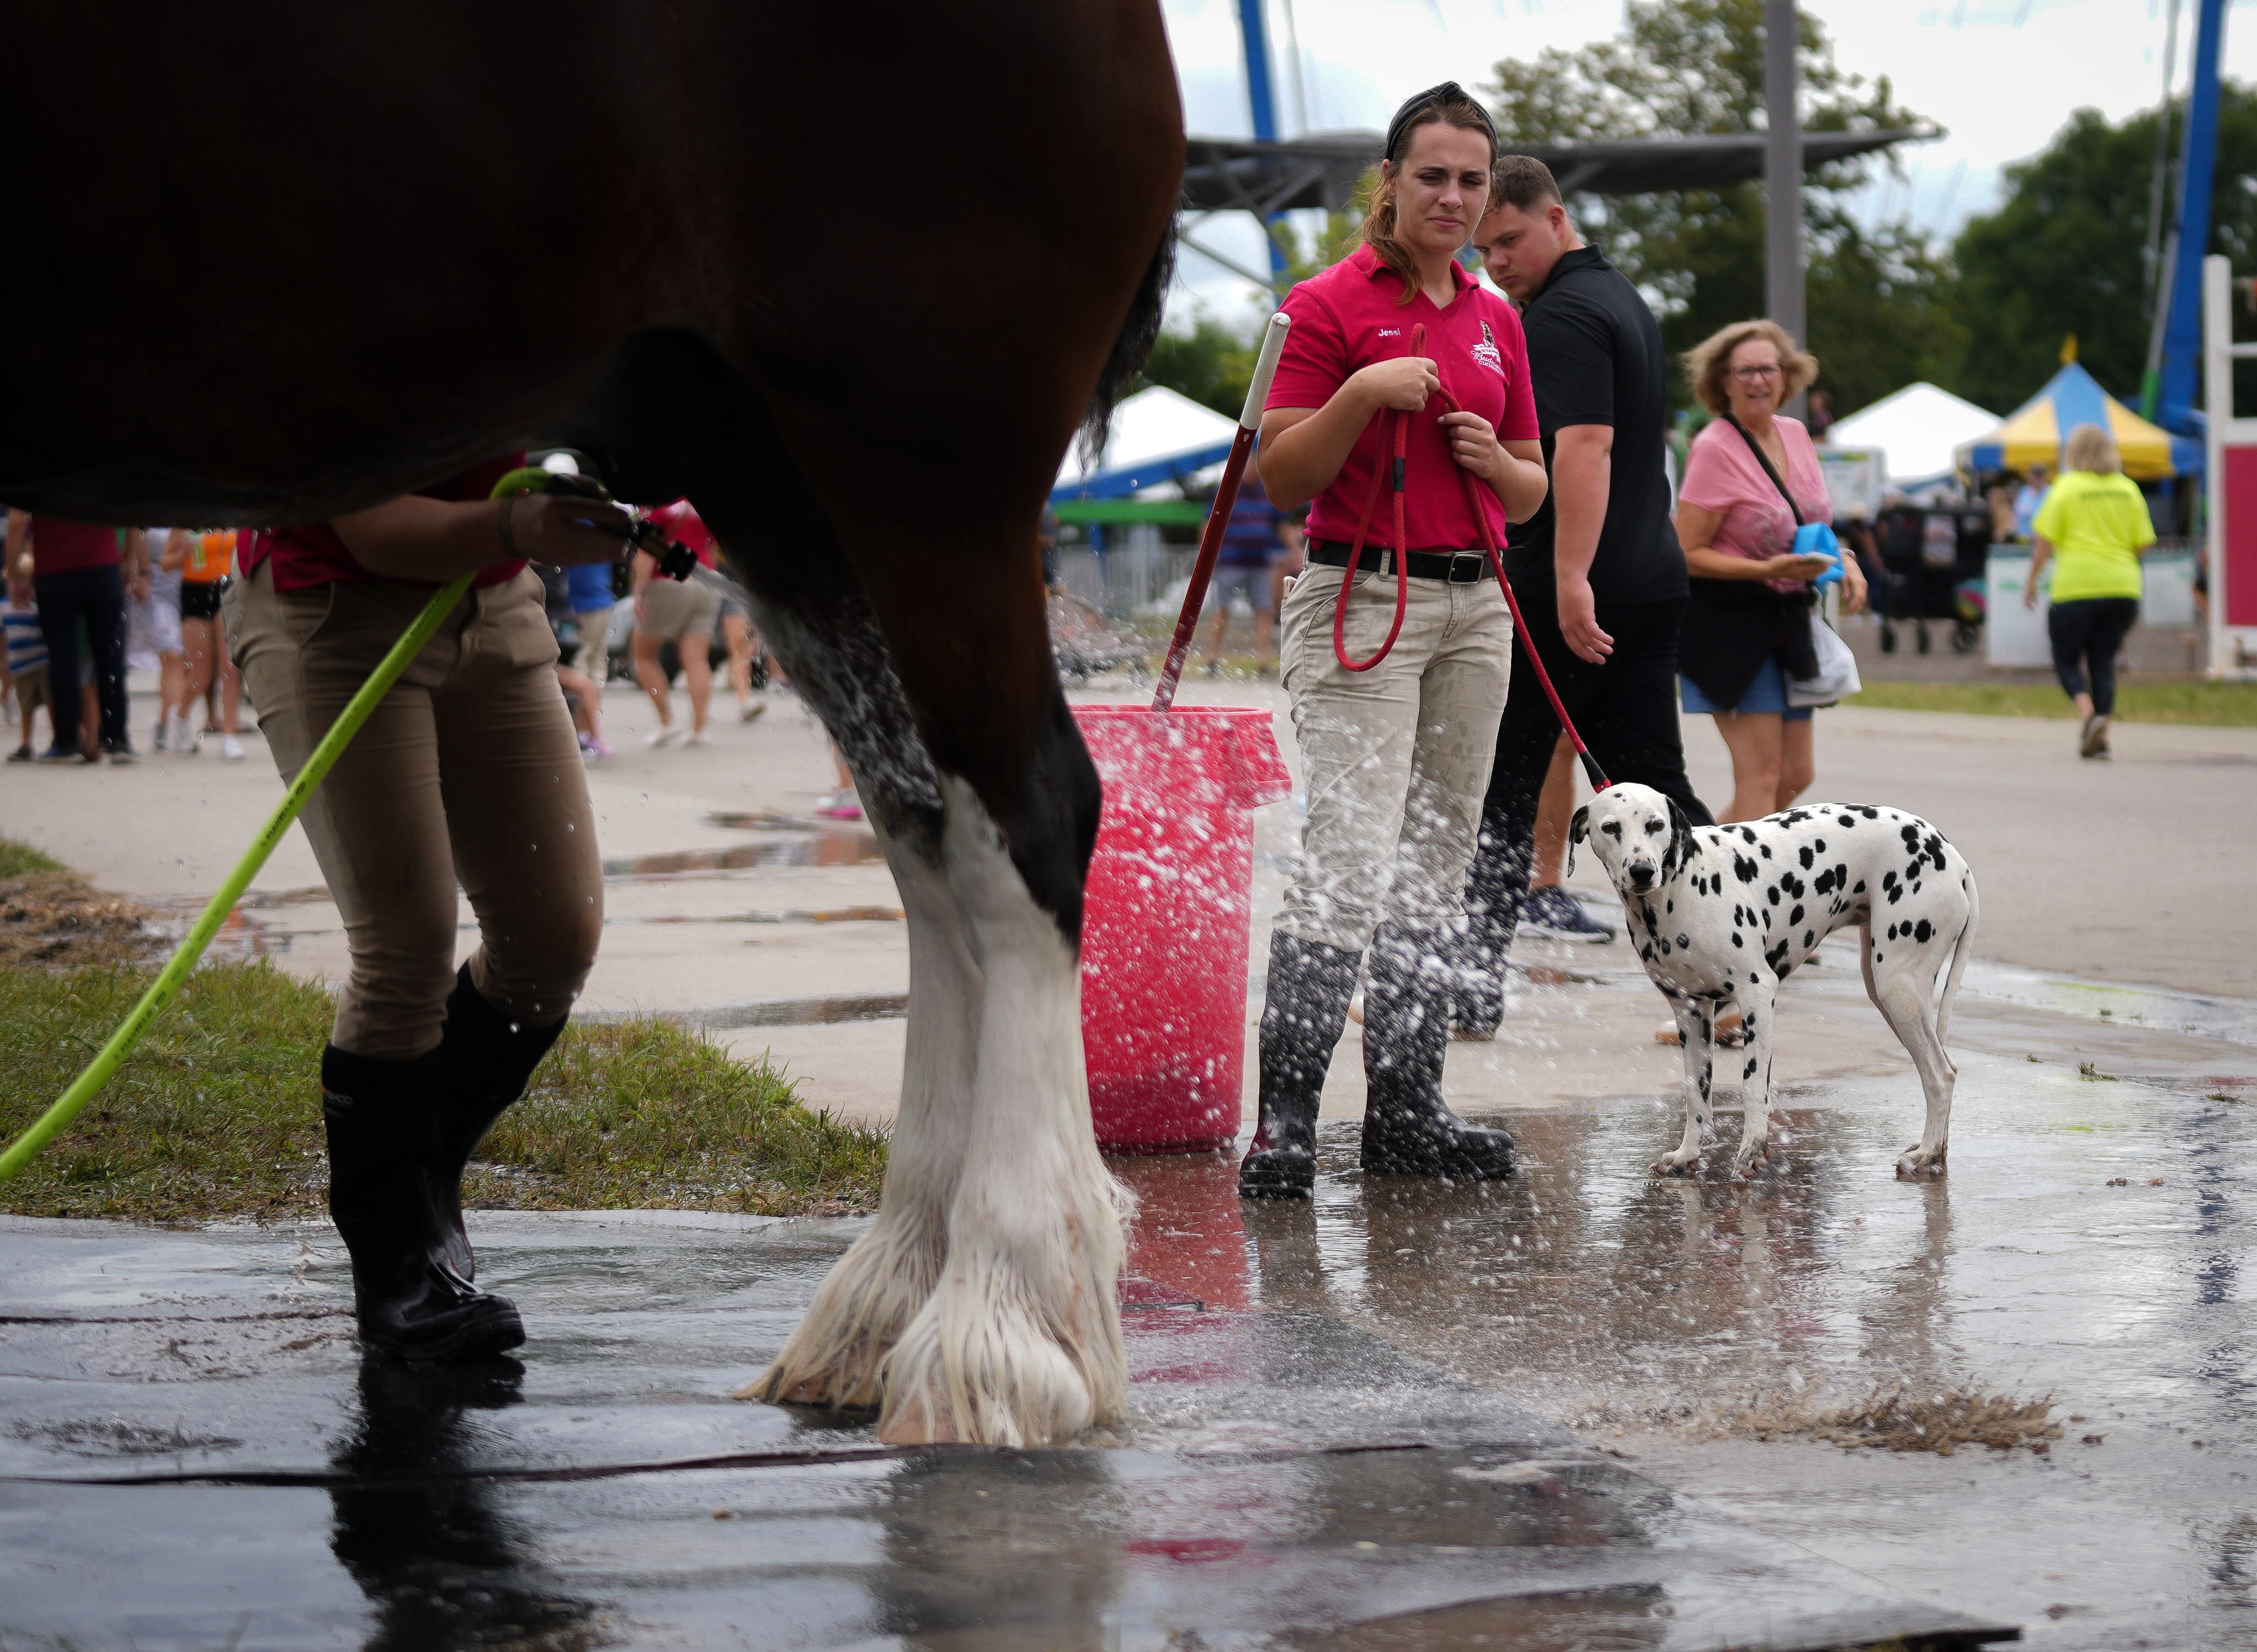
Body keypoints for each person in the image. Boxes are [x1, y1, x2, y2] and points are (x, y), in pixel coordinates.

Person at [227, 460, 628, 1360]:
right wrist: (524, 527)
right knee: (405, 950)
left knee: (554, 938)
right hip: (333, 604)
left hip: (495, 603)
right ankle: (399, 1282)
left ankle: (421, 1172)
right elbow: (371, 526)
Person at [1241, 82, 1550, 1200]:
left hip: (1475, 610)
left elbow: (1528, 492)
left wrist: (1493, 461)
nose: (1453, 197)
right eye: (1432, 176)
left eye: (1472, 179)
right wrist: (1364, 393)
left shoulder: (1495, 316)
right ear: (1389, 181)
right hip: (1360, 600)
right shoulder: (1323, 305)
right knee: (1348, 866)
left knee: (1434, 867)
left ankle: (1406, 1113)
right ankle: (1281, 1124)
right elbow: (1281, 478)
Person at [1451, 156, 1712, 1026]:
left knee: (1505, 782)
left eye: (1511, 240)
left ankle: (1470, 984)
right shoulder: (1621, 297)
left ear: (1555, 218)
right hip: (1647, 578)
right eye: (1485, 251)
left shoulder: (1560, 315)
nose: (1498, 263)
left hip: (1581, 586)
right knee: (1655, 786)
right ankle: (1733, 958)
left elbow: (1586, 447)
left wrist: (1566, 577)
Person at [1673, 319, 1868, 825]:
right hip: (1729, 625)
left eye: (1768, 369)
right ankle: (1745, 899)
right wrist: (1767, 567)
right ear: (1723, 381)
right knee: (1760, 775)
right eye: (1744, 372)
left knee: (1795, 774)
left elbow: (1811, 525)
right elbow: (1686, 551)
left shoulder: (1797, 434)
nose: (1758, 381)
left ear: (1788, 376)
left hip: (1789, 621)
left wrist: (1844, 561)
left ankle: (1699, 868)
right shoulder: (1715, 446)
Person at [2026, 423, 2154, 759]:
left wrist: (2031, 583)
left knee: (2066, 658)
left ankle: (2089, 716)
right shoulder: (2128, 489)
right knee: (2103, 660)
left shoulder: (2066, 488)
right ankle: (2102, 737)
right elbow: (2143, 544)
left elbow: (2043, 542)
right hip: (2123, 588)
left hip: (2076, 587)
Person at [4, 511, 146, 763]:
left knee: (62, 657)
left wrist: (14, 574)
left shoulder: (33, 471)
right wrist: (127, 560)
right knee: (110, 655)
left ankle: (68, 742)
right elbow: (128, 512)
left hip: (54, 570)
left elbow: (16, 522)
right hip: (103, 565)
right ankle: (117, 740)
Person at [632, 499, 723, 746]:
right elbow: (713, 544)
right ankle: (700, 728)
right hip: (707, 579)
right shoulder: (699, 503)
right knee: (697, 659)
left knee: (643, 654)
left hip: (669, 581)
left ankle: (666, 722)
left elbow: (649, 548)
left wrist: (639, 591)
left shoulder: (656, 505)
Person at [168, 527, 246, 758]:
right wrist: (183, 555)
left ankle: (230, 735)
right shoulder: (185, 523)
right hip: (195, 590)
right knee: (200, 674)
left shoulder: (233, 517)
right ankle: (180, 717)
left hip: (227, 586)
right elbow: (165, 563)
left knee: (230, 667)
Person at [1201, 466, 1284, 673]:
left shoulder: (1267, 492)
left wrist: (1295, 550)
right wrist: (1207, 555)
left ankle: (1264, 659)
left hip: (1260, 562)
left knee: (1264, 609)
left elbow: (1281, 525)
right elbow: (1209, 522)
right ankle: (1212, 657)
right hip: (1230, 561)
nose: (1252, 472)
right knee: (1222, 607)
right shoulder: (1226, 490)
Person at [132, 528, 189, 752]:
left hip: (188, 586)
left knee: (183, 662)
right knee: (171, 656)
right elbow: (135, 537)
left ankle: (164, 721)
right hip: (157, 586)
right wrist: (141, 573)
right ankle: (176, 724)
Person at [3, 560, 51, 760]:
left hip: (42, 663)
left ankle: (60, 738)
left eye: (24, 581)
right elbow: (3, 639)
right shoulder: (4, 609)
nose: (18, 586)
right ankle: (26, 744)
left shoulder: (37, 607)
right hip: (20, 666)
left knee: (52, 703)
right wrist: (4, 662)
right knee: (26, 708)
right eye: (14, 581)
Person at [2014, 463, 2051, 542]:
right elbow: (2017, 514)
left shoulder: (2051, 493)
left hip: (2043, 540)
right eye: (2035, 475)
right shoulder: (2024, 492)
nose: (2038, 479)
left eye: (2040, 476)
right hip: (2022, 539)